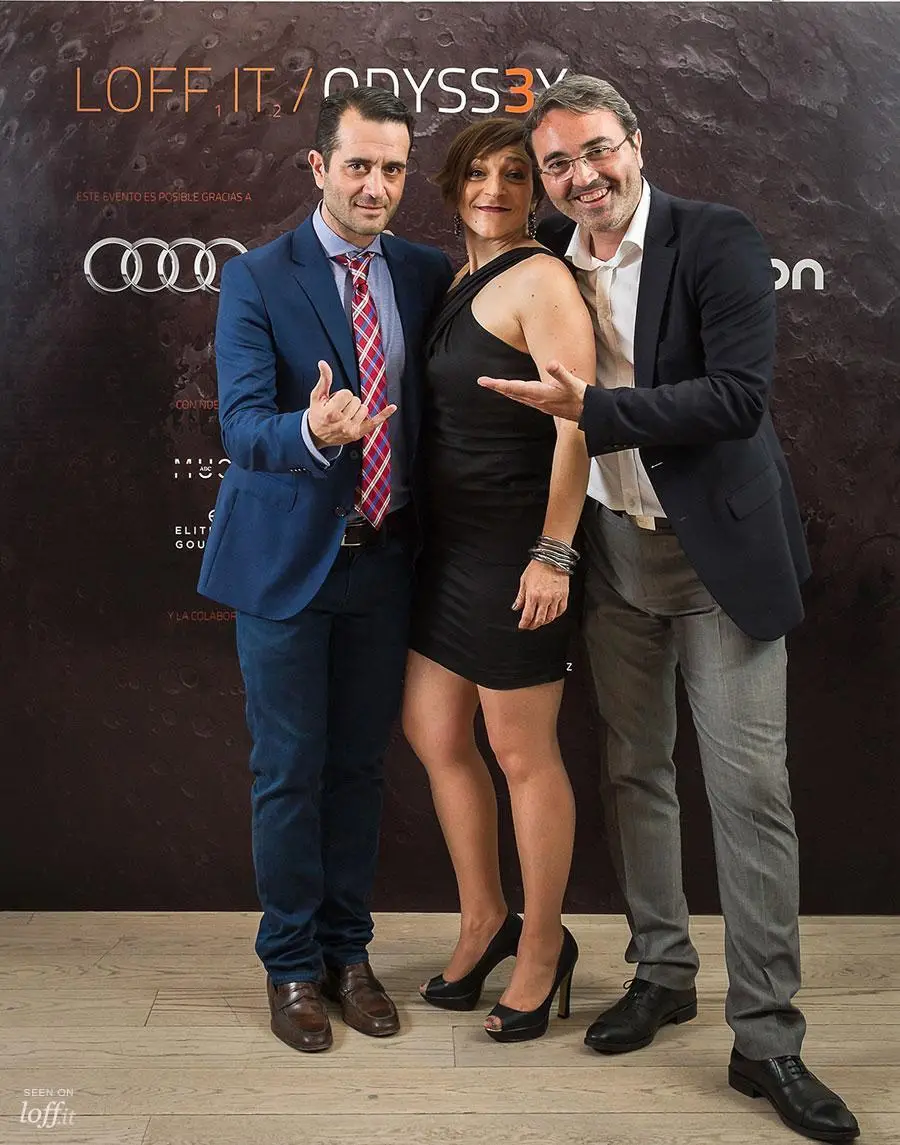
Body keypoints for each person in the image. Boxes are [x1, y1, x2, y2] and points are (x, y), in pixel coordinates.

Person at [478, 76, 859, 1140]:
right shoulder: (550, 262)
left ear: (636, 143)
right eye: (558, 164)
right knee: (634, 770)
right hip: (612, 553)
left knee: (750, 795)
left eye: (597, 149)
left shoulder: (714, 237)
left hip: (718, 558)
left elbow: (738, 396)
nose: (582, 176)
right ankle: (662, 971)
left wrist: (597, 409)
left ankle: (767, 1037)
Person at [198, 86, 452, 1054]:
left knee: (357, 769)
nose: (376, 185)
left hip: (387, 564)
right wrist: (312, 428)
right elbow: (241, 426)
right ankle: (292, 964)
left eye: (393, 167)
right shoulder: (258, 276)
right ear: (318, 166)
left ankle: (350, 955)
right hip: (287, 566)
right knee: (288, 771)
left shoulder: (425, 272)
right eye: (358, 165)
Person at [401, 118, 595, 1043]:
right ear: (452, 185)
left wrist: (554, 551)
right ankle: (486, 918)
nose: (494, 189)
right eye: (477, 173)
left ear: (534, 191)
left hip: (519, 548)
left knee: (523, 753)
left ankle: (544, 946)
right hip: (449, 549)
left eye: (514, 174)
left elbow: (577, 424)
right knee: (435, 730)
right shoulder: (458, 279)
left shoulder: (543, 279)